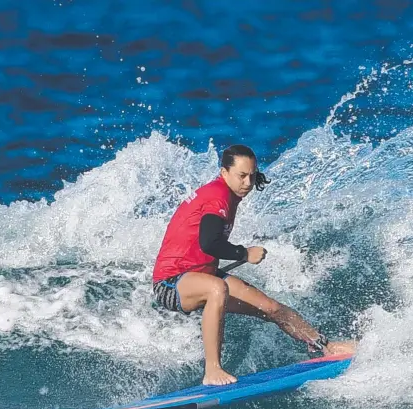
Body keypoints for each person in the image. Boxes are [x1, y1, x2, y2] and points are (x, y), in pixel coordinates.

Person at [152, 144, 356, 385]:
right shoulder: (217, 195)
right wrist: (244, 253)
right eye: (241, 176)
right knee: (217, 288)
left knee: (270, 307)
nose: (248, 183)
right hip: (171, 283)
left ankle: (325, 345)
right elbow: (209, 243)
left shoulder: (229, 195)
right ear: (224, 172)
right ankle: (212, 370)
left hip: (200, 274)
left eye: (252, 175)